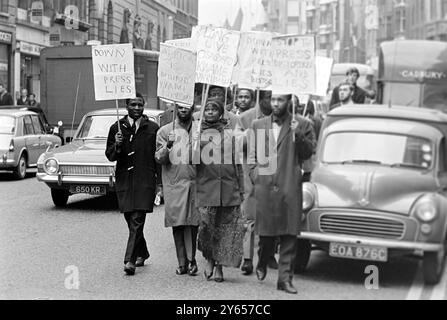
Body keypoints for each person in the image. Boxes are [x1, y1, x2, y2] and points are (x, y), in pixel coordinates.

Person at [249, 93, 315, 294]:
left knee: (289, 235)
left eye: (281, 100)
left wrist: (299, 136)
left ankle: (285, 279)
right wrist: (256, 176)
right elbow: (253, 156)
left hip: (289, 187)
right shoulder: (258, 125)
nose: (276, 104)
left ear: (289, 102)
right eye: (273, 100)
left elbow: (307, 154)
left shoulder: (302, 123)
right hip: (265, 187)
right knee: (267, 236)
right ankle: (262, 261)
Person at [105, 93, 161, 276]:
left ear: (144, 105)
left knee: (137, 220)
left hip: (145, 181)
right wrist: (117, 145)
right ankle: (142, 252)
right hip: (125, 181)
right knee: (130, 218)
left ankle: (129, 260)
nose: (137, 108)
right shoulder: (117, 128)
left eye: (140, 104)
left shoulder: (153, 128)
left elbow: (158, 158)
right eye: (133, 105)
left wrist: (160, 184)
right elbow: (110, 155)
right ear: (126, 105)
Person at [194, 97, 245, 283]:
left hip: (228, 188)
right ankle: (209, 259)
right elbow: (190, 162)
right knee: (207, 227)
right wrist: (193, 144)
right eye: (206, 109)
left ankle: (219, 267)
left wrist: (242, 188)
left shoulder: (230, 134)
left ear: (220, 113)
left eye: (213, 109)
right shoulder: (196, 133)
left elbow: (237, 162)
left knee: (225, 229)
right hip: (206, 188)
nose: (209, 112)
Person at [234, 90, 277, 276]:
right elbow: (235, 142)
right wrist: (250, 134)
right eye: (270, 97)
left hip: (274, 175)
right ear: (262, 97)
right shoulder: (245, 117)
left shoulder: (282, 119)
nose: (274, 102)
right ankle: (248, 259)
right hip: (251, 174)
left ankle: (268, 255)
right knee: (249, 218)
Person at [156, 104, 200, 276]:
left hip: (195, 182)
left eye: (187, 107)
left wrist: (200, 142)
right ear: (175, 108)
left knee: (193, 223)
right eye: (180, 107)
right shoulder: (165, 131)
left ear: (192, 108)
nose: (183, 110)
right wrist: (168, 145)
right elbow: (159, 158)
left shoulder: (200, 129)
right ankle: (181, 262)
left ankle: (192, 259)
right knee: (178, 224)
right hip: (174, 183)